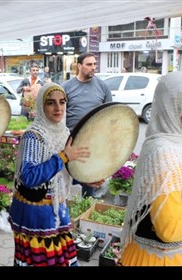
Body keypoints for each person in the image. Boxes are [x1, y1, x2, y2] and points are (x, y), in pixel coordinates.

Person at [119, 71, 182, 266]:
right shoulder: (164, 154)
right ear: (174, 107)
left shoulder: (181, 142)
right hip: (163, 258)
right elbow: (170, 228)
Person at [9, 83, 91, 266]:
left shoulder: (64, 133)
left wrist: (87, 180)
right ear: (41, 106)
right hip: (35, 210)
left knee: (60, 258)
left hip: (56, 207)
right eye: (51, 103)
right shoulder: (34, 135)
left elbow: (64, 171)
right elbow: (28, 177)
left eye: (62, 102)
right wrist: (62, 156)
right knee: (42, 260)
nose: (58, 108)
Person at [61, 52, 112, 197]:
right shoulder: (66, 87)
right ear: (79, 66)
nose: (93, 67)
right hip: (70, 141)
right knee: (65, 177)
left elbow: (109, 115)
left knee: (89, 179)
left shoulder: (103, 87)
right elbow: (59, 116)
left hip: (93, 142)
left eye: (95, 64)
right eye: (89, 64)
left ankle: (86, 208)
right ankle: (64, 207)